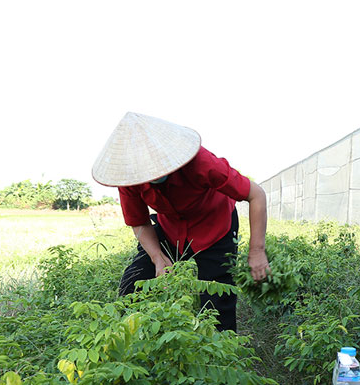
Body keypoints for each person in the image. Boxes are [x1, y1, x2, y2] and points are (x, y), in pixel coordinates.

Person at [92, 112, 270, 332]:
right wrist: (157, 257)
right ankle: (140, 344)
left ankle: (221, 353)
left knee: (216, 297)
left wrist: (257, 251)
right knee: (134, 284)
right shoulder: (130, 179)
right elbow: (139, 222)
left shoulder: (201, 162)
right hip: (170, 227)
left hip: (215, 226)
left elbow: (256, 195)